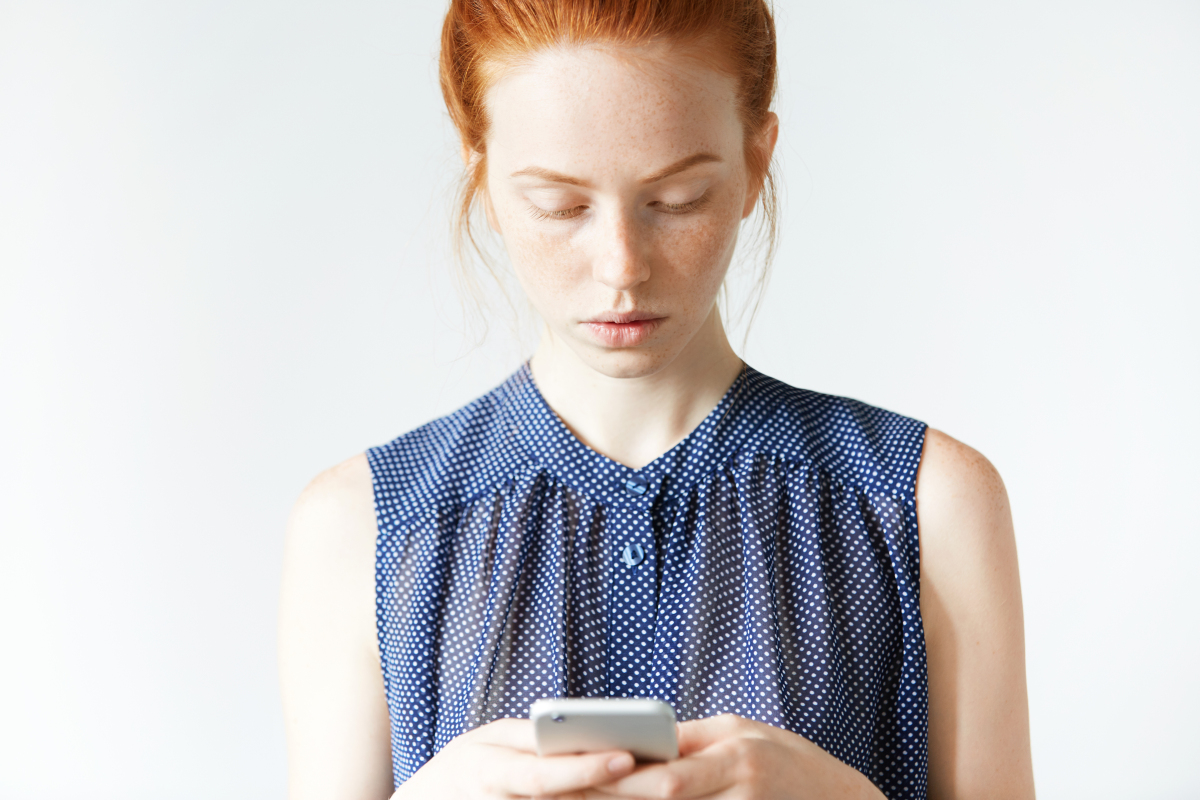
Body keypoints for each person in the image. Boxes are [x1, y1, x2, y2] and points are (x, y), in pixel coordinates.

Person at [279, 1, 1035, 798]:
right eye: (559, 206)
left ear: (756, 162)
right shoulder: (361, 525)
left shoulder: (926, 502)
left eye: (678, 200)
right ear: (482, 174)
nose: (622, 268)